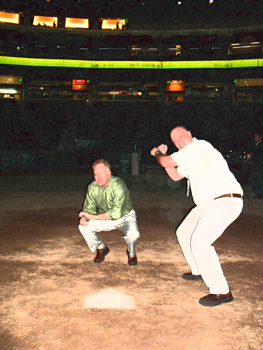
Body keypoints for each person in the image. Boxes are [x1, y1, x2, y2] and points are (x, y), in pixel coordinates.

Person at [151, 126, 243, 307]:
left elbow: (166, 162)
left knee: (200, 242)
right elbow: (176, 175)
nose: (178, 142)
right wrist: (163, 159)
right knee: (184, 232)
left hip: (224, 201)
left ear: (190, 135)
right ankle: (199, 270)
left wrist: (157, 154)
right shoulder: (190, 156)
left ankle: (221, 291)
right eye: (174, 140)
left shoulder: (199, 147)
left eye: (180, 136)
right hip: (207, 205)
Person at [78, 159, 140, 265]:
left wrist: (94, 217)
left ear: (109, 173)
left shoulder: (119, 185)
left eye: (101, 173)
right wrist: (86, 218)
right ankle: (101, 247)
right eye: (96, 174)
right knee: (83, 226)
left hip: (125, 217)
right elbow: (89, 208)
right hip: (105, 217)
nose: (98, 177)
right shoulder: (92, 187)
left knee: (133, 234)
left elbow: (116, 213)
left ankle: (131, 252)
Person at [249, 130, 263, 198]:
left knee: (256, 180)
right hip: (255, 166)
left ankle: (259, 194)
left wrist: (252, 155)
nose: (254, 138)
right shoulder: (256, 145)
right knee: (255, 180)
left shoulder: (260, 145)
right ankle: (258, 193)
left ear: (259, 137)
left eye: (256, 136)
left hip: (258, 166)